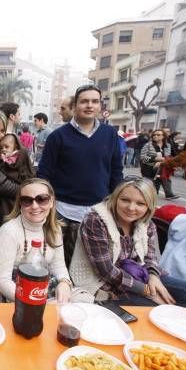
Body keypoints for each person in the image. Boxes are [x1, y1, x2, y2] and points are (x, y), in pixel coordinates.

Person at [69, 176, 186, 307]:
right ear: (116, 198)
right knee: (155, 309)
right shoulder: (96, 219)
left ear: (149, 206)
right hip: (103, 285)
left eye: (140, 203)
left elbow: (150, 258)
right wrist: (147, 291)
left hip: (139, 275)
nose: (131, 208)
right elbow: (106, 271)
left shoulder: (147, 223)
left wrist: (154, 277)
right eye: (125, 200)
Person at [37, 84, 123, 268]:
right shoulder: (57, 137)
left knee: (93, 266)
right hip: (62, 213)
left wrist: (115, 203)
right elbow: (44, 174)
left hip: (99, 211)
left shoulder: (110, 135)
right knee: (58, 265)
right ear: (75, 105)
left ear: (100, 106)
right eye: (84, 101)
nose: (89, 105)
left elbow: (116, 171)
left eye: (95, 101)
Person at [0, 178, 73, 303]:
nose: (35, 206)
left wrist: (64, 282)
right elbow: (1, 281)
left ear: (51, 201)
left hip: (46, 290)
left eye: (42, 199)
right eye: (27, 201)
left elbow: (58, 265)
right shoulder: (8, 232)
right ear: (20, 204)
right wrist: (34, 302)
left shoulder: (54, 228)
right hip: (17, 298)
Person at [140, 129, 180, 200]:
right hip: (149, 169)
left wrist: (167, 162)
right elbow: (142, 157)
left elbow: (167, 157)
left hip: (162, 168)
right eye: (154, 135)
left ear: (163, 136)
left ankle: (168, 194)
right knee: (150, 188)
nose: (155, 136)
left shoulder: (167, 145)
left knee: (162, 183)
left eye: (158, 135)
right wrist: (155, 159)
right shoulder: (148, 145)